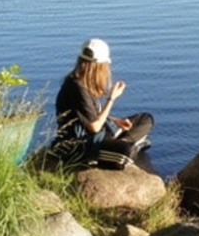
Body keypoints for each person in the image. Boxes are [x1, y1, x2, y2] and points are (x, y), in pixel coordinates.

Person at [51, 38, 153, 169]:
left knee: (145, 119)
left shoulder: (84, 83)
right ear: (99, 65)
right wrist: (111, 98)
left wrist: (115, 120)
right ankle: (128, 145)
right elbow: (94, 127)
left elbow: (87, 114)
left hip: (101, 134)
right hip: (83, 143)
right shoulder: (76, 87)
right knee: (127, 152)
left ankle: (121, 142)